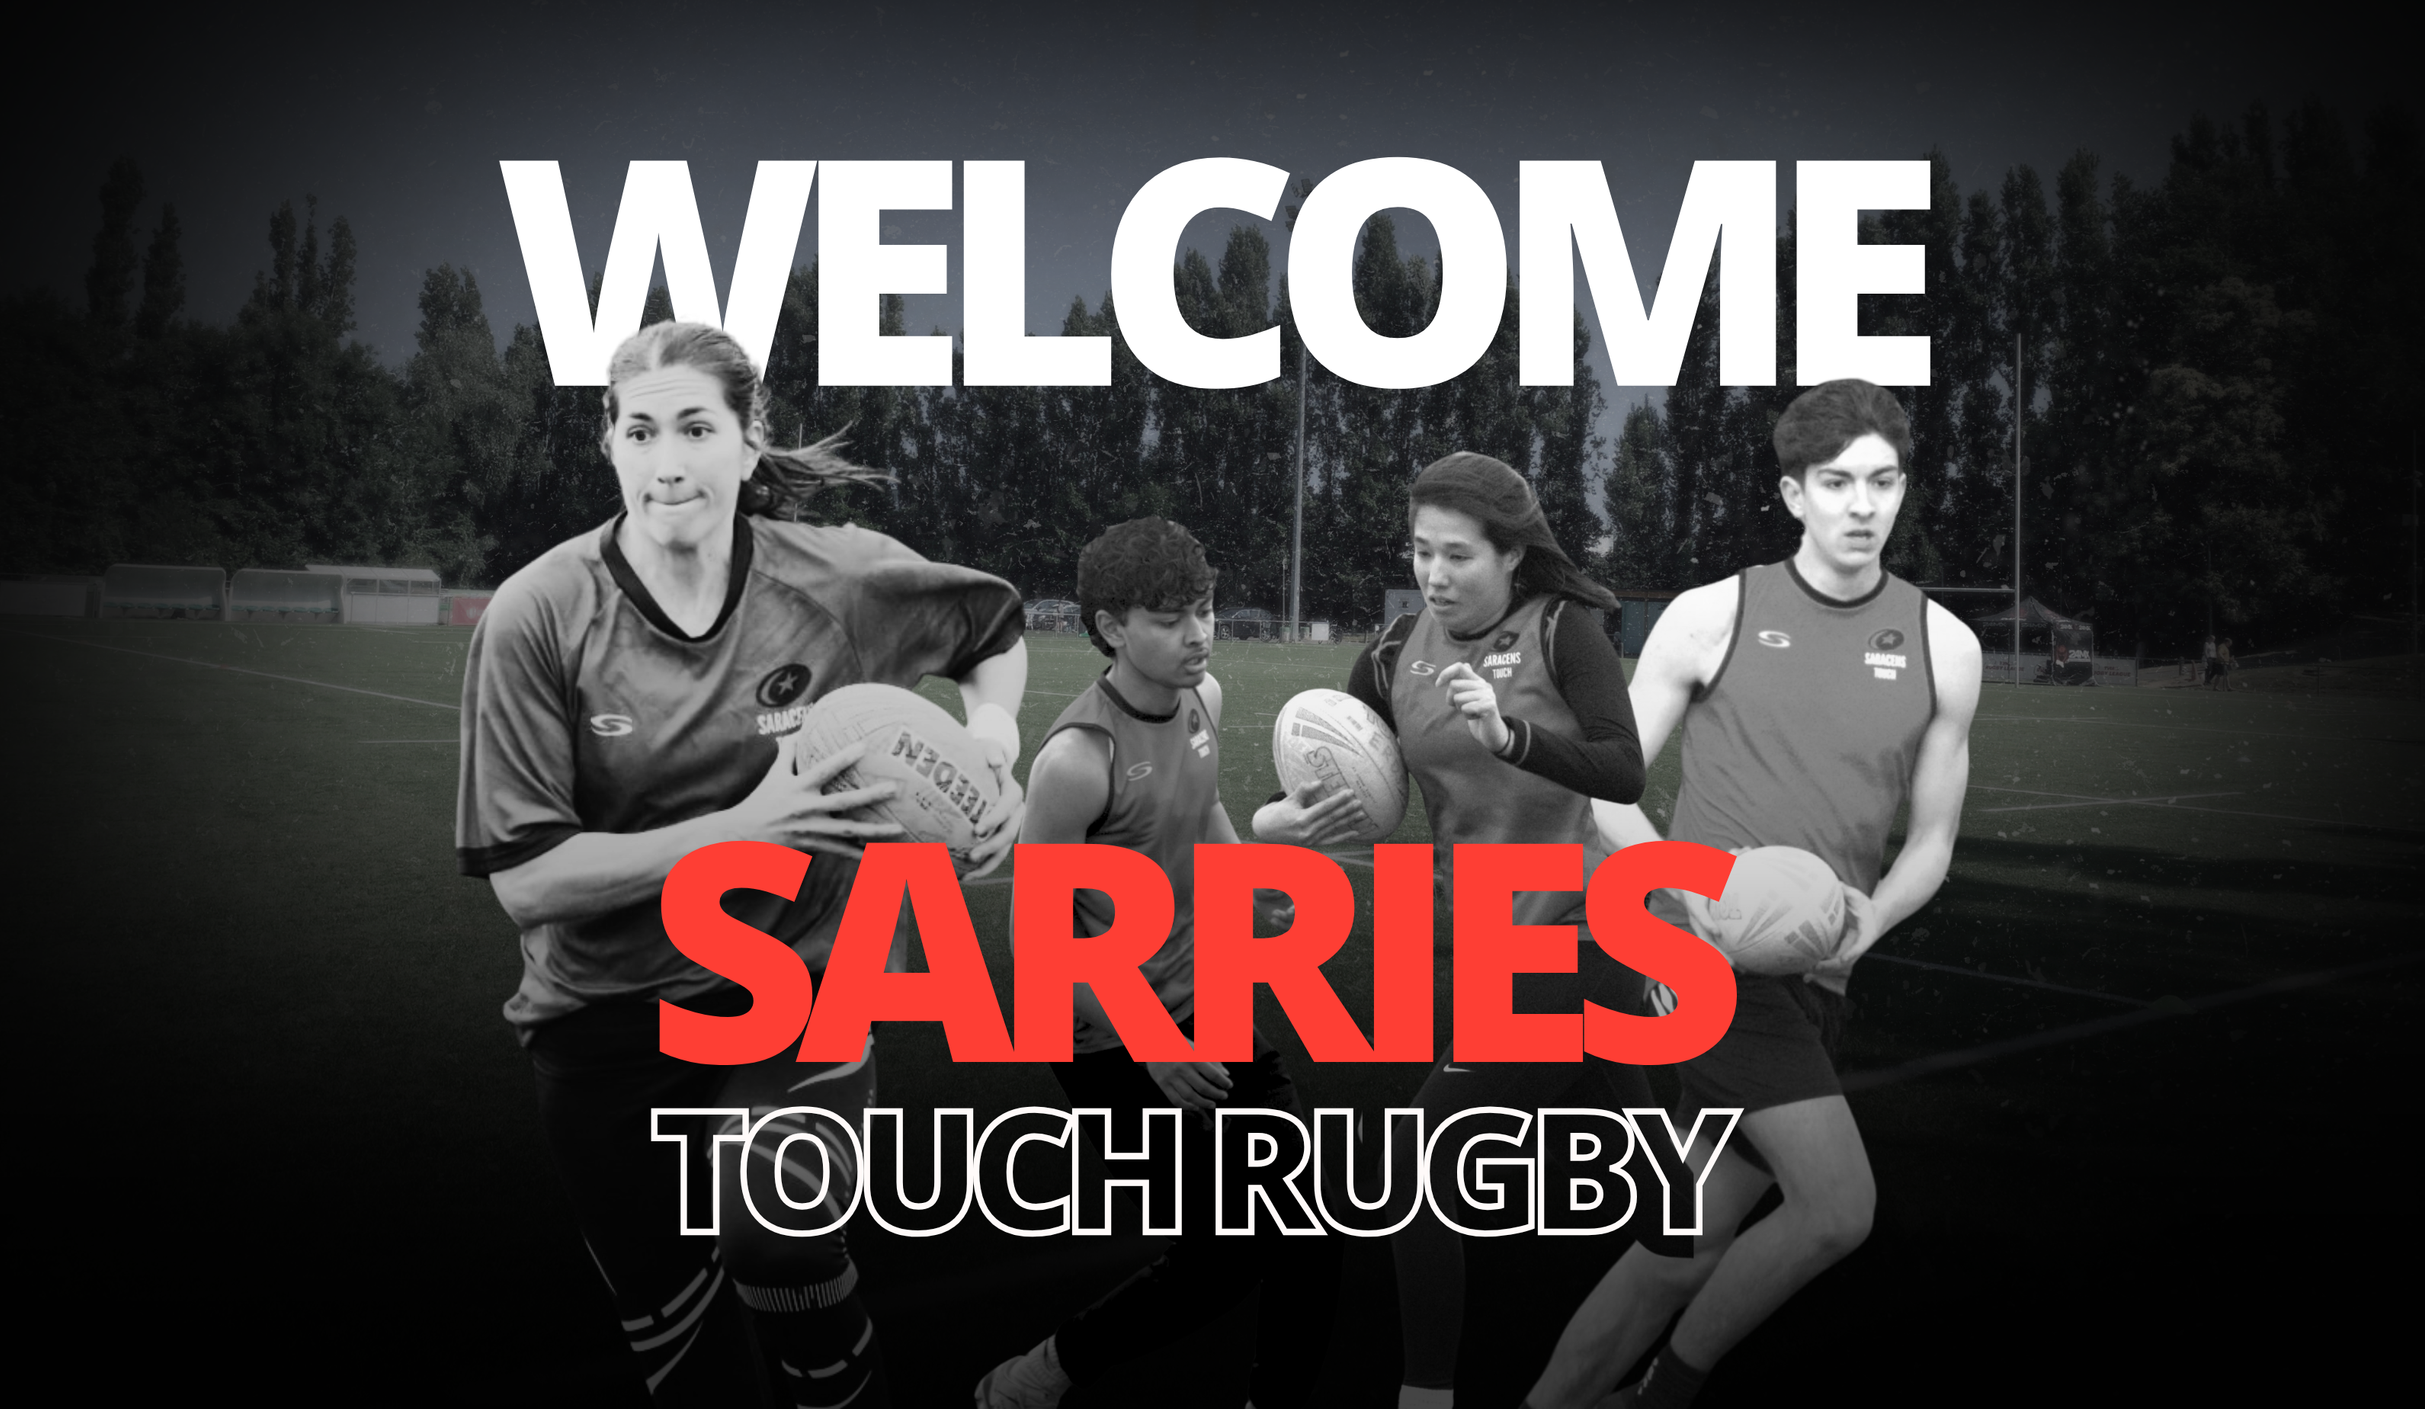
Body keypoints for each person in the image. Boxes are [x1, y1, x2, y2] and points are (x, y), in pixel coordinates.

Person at [456, 321, 1029, 1407]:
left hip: (803, 980)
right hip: (606, 1018)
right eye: (640, 430)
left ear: (748, 442)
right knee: (687, 1356)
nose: (668, 458)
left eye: (696, 427)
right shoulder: (537, 615)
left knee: (774, 1234)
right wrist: (746, 827)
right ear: (609, 444)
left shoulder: (838, 576)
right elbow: (528, 880)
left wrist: (988, 757)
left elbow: (992, 630)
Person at [1519, 378, 1981, 1409]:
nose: (1861, 505)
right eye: (1835, 482)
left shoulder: (1946, 646)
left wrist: (1876, 914)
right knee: (1836, 1205)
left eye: (1882, 481)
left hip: (1817, 971)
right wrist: (1682, 898)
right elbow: (1608, 787)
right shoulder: (1710, 616)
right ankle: (1663, 1395)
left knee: (1680, 1245)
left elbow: (1934, 836)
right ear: (1792, 492)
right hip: (1697, 961)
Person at [1251, 452, 1688, 1409]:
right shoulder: (1389, 653)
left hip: (1578, 934)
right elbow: (1328, 773)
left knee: (1418, 1157)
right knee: (1669, 1206)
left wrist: (1511, 735)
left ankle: (1427, 1395)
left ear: (1512, 554)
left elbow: (1622, 771)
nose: (1435, 575)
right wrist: (1274, 821)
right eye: (1421, 553)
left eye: (1458, 555)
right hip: (1489, 946)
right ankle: (1665, 1369)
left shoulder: (1564, 629)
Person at [976, 517, 1343, 1409]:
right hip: (1107, 1034)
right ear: (1110, 628)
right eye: (1171, 618)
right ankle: (1039, 1378)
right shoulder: (1075, 760)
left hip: (1206, 996)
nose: (1200, 635)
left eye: (1206, 610)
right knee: (1226, 1251)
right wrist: (1149, 1040)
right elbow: (1037, 934)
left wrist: (1250, 886)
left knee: (1313, 1224)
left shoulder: (1205, 697)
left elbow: (1204, 810)